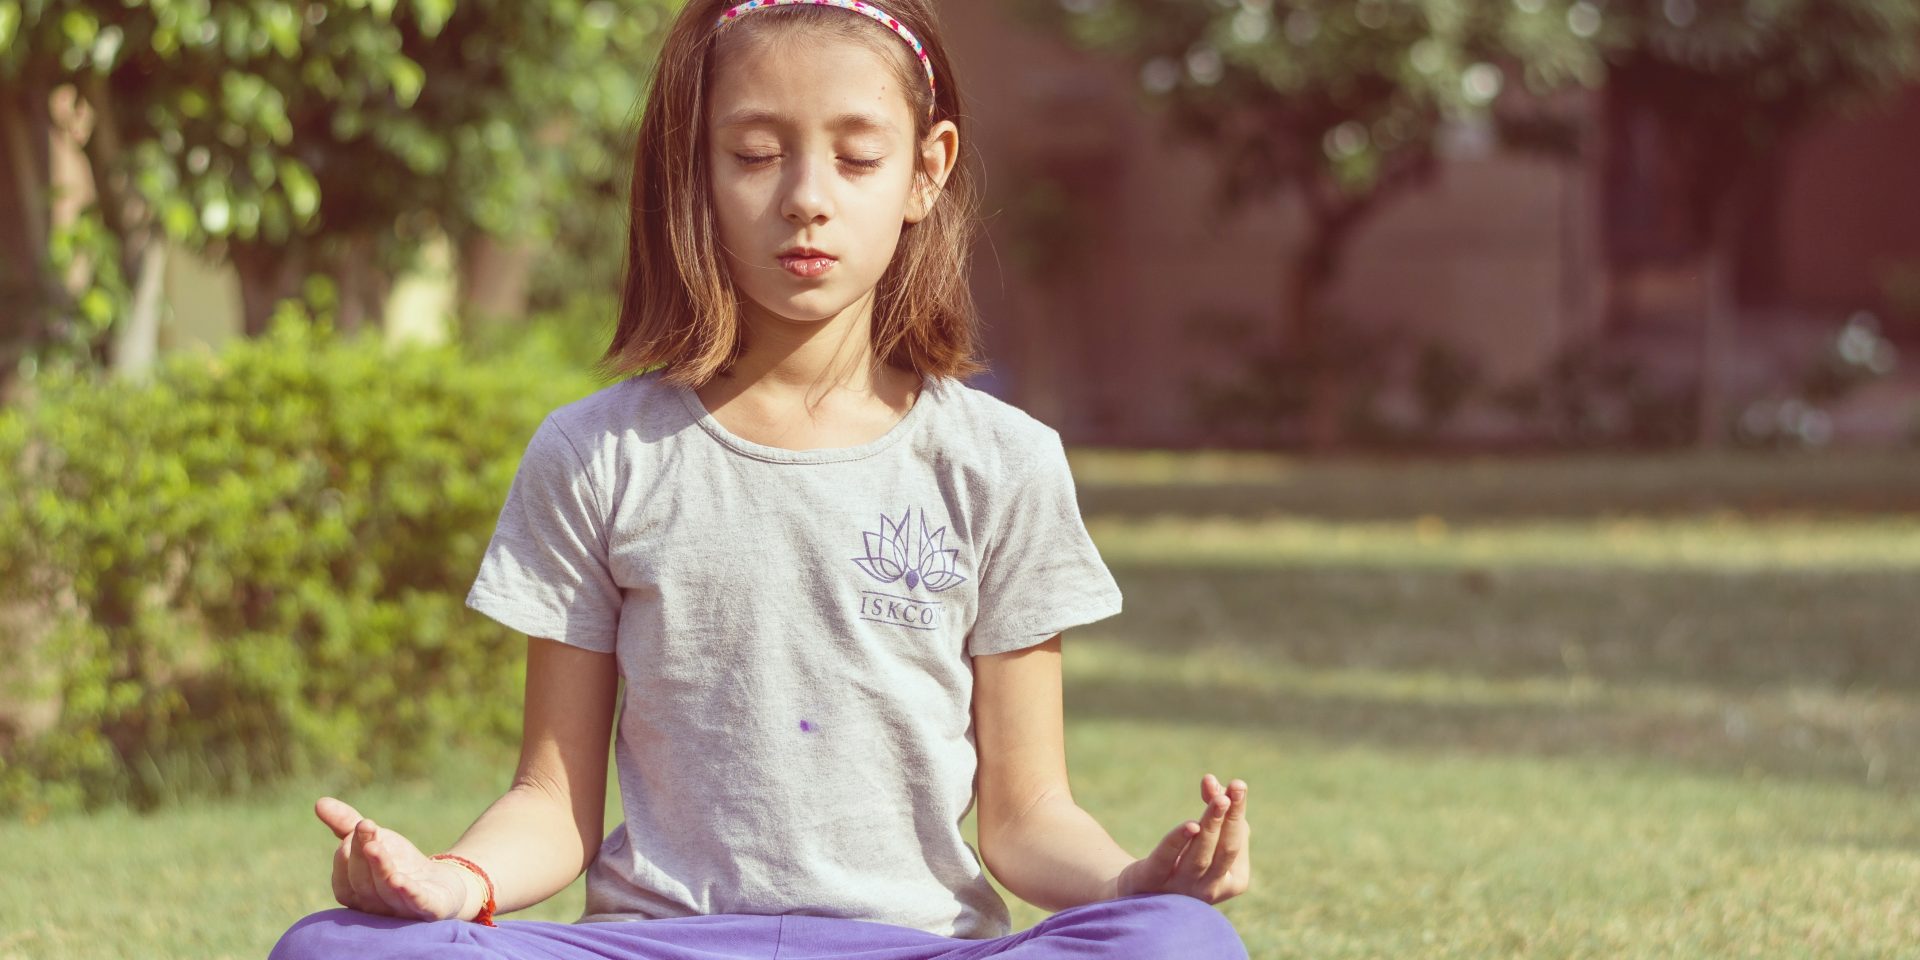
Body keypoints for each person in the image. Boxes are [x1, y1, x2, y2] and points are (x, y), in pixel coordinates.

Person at [268, 0, 1253, 956]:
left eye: (858, 156)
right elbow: (550, 806)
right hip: (663, 944)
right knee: (338, 948)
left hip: (914, 946)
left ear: (927, 170)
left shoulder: (1003, 462)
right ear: (694, 173)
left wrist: (1137, 883)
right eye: (753, 155)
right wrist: (454, 883)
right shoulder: (596, 454)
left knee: (1179, 943)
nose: (806, 197)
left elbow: (1029, 816)